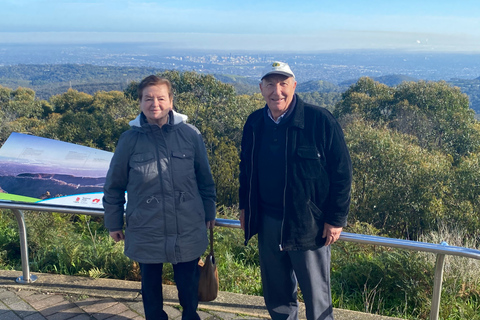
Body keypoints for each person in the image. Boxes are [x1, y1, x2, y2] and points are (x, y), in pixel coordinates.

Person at [239, 62, 352, 320]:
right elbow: (245, 169)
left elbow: (342, 173)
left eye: (283, 83)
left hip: (307, 224)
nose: (276, 91)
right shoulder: (255, 122)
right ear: (261, 88)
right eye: (270, 84)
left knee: (316, 296)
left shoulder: (319, 120)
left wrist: (335, 219)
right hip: (267, 221)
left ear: (294, 86)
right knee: (277, 294)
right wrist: (245, 207)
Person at [103, 75, 216, 320]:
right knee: (150, 289)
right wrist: (113, 223)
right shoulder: (129, 140)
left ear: (171, 101)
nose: (155, 103)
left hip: (187, 224)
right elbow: (114, 185)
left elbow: (205, 180)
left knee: (188, 285)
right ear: (140, 102)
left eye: (161, 98)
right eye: (148, 98)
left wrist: (209, 213)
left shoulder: (190, 135)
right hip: (146, 226)